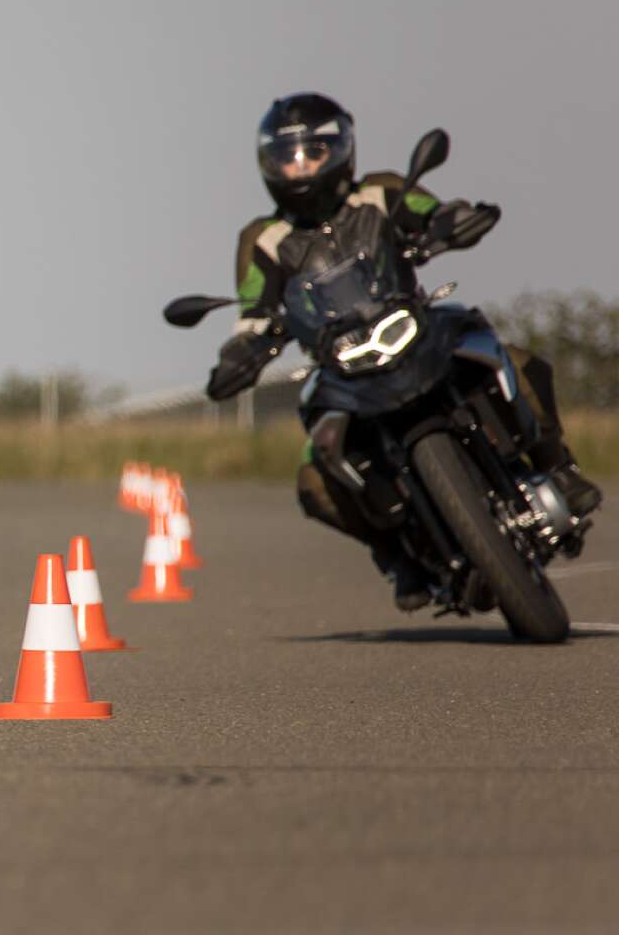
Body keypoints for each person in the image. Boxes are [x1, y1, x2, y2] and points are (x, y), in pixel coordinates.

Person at [206, 92, 600, 610]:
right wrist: (244, 350)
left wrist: (451, 223)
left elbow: (430, 213)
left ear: (341, 149)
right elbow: (255, 309)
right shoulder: (263, 239)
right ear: (267, 164)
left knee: (513, 359)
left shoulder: (380, 192)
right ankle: (400, 557)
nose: (299, 167)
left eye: (311, 153)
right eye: (286, 156)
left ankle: (560, 470)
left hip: (410, 327)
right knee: (314, 479)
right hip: (339, 363)